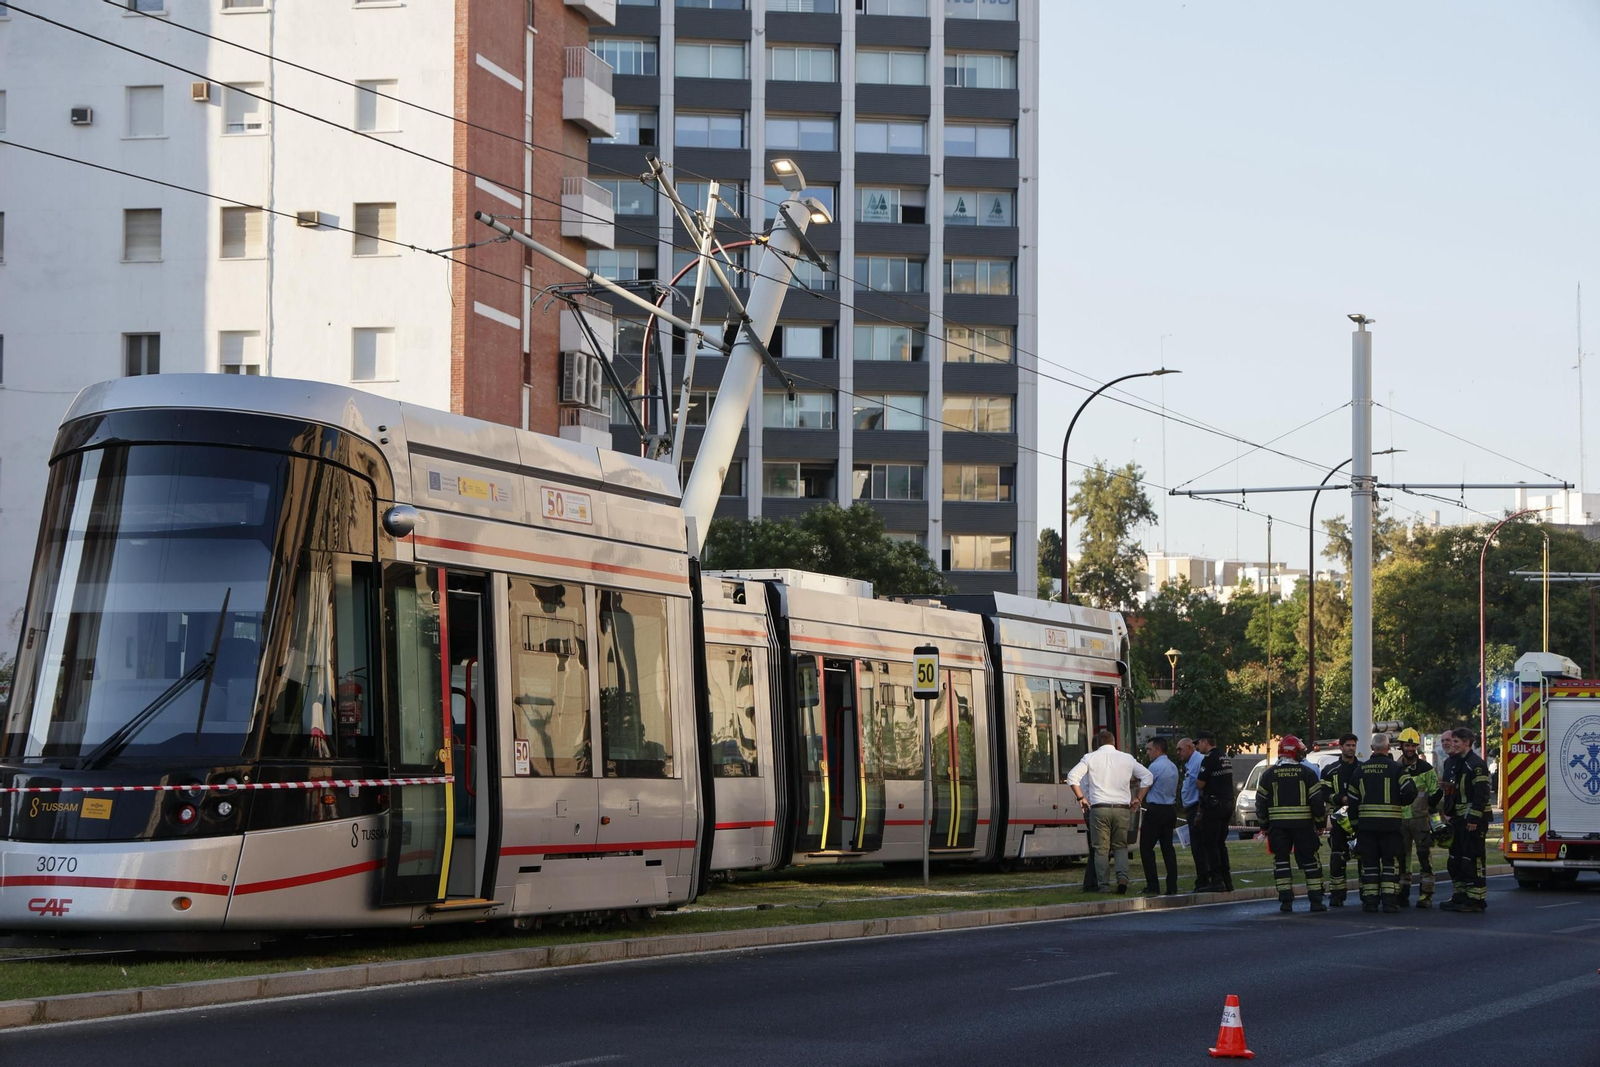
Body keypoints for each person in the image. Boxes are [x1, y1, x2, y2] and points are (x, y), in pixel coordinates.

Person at [1067, 729, 1155, 894]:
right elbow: (1148, 776)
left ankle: (1104, 885)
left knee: (1101, 849)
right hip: (1122, 809)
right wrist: (1138, 798)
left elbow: (1072, 776)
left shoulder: (1090, 758)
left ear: (1099, 743)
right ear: (1114, 742)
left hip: (1099, 808)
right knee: (1120, 846)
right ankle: (1122, 878)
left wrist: (1081, 798)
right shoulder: (1126, 758)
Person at [1255, 734, 1328, 912]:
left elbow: (1260, 803)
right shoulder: (1307, 774)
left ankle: (1286, 901)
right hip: (1303, 827)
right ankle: (1316, 901)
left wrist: (1264, 826)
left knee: (1281, 862)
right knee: (1311, 862)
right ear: (1294, 752)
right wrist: (1320, 824)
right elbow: (1317, 802)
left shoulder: (1268, 775)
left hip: (1278, 828)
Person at [1349, 732, 1416, 914]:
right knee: (1389, 864)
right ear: (1388, 748)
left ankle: (1370, 903)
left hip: (1366, 827)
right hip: (1390, 826)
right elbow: (1410, 792)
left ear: (1372, 748)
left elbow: (1352, 801)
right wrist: (1399, 802)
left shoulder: (1360, 770)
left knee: (1369, 864)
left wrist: (1355, 825)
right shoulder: (1396, 768)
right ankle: (1390, 902)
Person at [1439, 727, 1492, 913]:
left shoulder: (1476, 764)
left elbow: (1482, 793)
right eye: (1451, 741)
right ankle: (1459, 895)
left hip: (1473, 821)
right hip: (1458, 820)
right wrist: (1448, 814)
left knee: (1472, 858)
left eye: (1456, 742)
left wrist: (1474, 818)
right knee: (1456, 859)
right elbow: (1451, 791)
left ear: (1467, 742)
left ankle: (1476, 899)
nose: (1452, 745)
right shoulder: (1457, 763)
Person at [1395, 728, 1439, 908]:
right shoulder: (1395, 768)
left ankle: (1426, 894)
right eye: (1407, 745)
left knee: (1424, 856)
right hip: (1400, 819)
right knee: (1402, 857)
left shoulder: (1426, 769)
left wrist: (1434, 818)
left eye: (1413, 745)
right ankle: (1402, 893)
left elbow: (1436, 795)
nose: (1410, 749)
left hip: (1420, 819)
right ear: (1401, 746)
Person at [1319, 733, 1361, 906]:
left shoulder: (1362, 769)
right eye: (1348, 745)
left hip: (1360, 820)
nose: (1351, 748)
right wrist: (1340, 799)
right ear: (1341, 747)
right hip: (1339, 820)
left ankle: (1368, 895)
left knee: (1364, 857)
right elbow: (1324, 793)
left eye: (1353, 745)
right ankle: (1337, 895)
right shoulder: (1329, 770)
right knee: (1337, 858)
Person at [1193, 731, 1234, 892]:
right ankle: (1226, 879)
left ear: (1205, 742)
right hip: (1227, 804)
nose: (1197, 747)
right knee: (1220, 843)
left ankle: (1216, 880)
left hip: (1214, 806)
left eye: (1198, 743)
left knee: (1210, 843)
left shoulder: (1209, 759)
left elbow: (1200, 784)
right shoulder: (1224, 757)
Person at [1139, 737, 1180, 895]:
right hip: (1170, 809)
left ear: (1158, 749)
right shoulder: (1172, 766)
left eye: (1149, 749)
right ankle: (1172, 886)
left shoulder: (1155, 767)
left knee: (1146, 848)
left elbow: (1146, 784)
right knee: (1168, 849)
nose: (1147, 752)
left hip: (1156, 810)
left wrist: (1138, 798)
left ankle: (1153, 885)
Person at [1177, 737, 1209, 891]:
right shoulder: (1191, 763)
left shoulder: (1198, 762)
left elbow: (1202, 787)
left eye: (1180, 749)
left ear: (1190, 747)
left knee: (1199, 847)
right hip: (1192, 808)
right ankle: (1204, 878)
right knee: (1197, 846)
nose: (1178, 752)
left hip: (1198, 808)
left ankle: (1204, 880)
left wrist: (1198, 811)